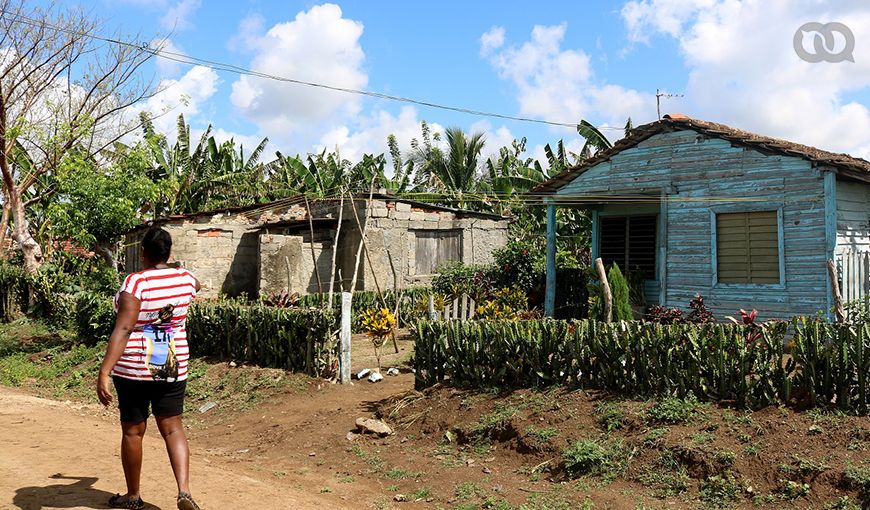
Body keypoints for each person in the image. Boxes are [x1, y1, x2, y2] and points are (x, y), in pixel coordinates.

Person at [97, 227, 203, 510]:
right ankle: (184, 491)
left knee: (133, 431)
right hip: (171, 363)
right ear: (169, 253)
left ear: (142, 252)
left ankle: (133, 497)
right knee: (172, 428)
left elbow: (124, 328)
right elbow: (197, 287)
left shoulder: (136, 283)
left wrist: (105, 371)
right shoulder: (186, 278)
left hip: (134, 368)